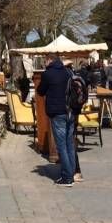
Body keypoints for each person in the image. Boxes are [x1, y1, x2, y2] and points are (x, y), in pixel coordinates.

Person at [37, 55, 75, 187]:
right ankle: (72, 172)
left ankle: (67, 177)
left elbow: (40, 91)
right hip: (70, 111)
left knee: (61, 146)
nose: (44, 63)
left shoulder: (48, 74)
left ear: (49, 61)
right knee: (69, 143)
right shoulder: (67, 71)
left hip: (57, 112)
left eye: (44, 61)